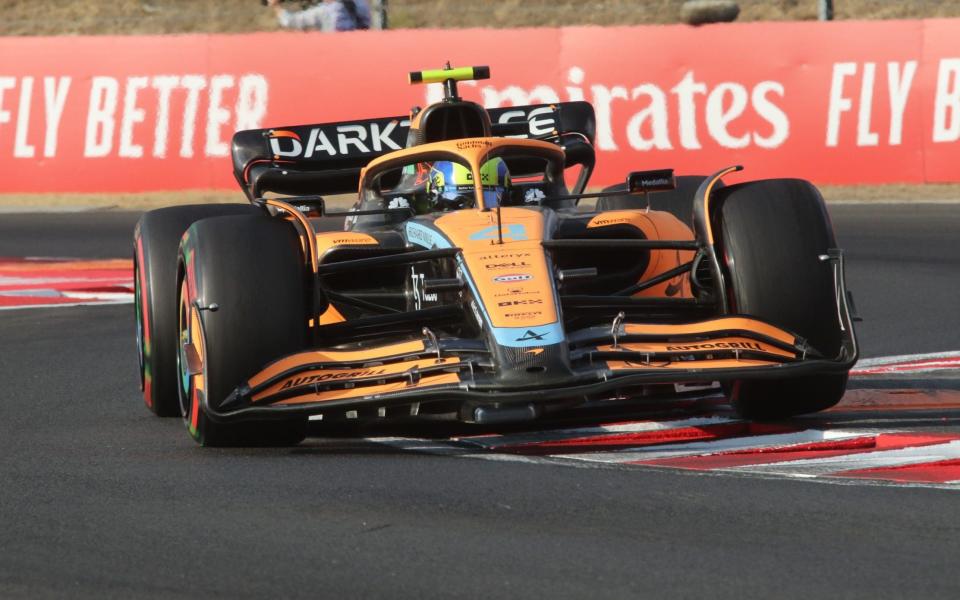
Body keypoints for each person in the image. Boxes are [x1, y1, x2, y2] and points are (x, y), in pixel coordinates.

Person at [267, 0, 371, 32]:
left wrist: (276, 6)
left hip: (332, 54)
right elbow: (365, 23)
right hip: (354, 52)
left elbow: (290, 21)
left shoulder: (324, 11)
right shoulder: (358, 4)